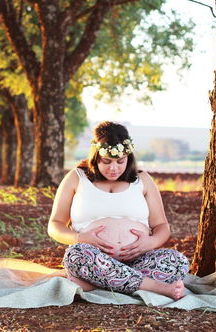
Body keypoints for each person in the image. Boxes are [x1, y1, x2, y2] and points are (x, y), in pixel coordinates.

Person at [48, 121, 189, 300]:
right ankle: (154, 286)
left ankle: (95, 283)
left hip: (138, 260)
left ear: (128, 158)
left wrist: (151, 243)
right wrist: (79, 238)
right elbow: (55, 225)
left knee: (177, 261)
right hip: (93, 258)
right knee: (76, 256)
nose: (113, 168)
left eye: (120, 161)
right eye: (106, 161)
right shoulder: (77, 178)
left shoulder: (142, 179)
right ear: (95, 157)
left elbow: (161, 225)